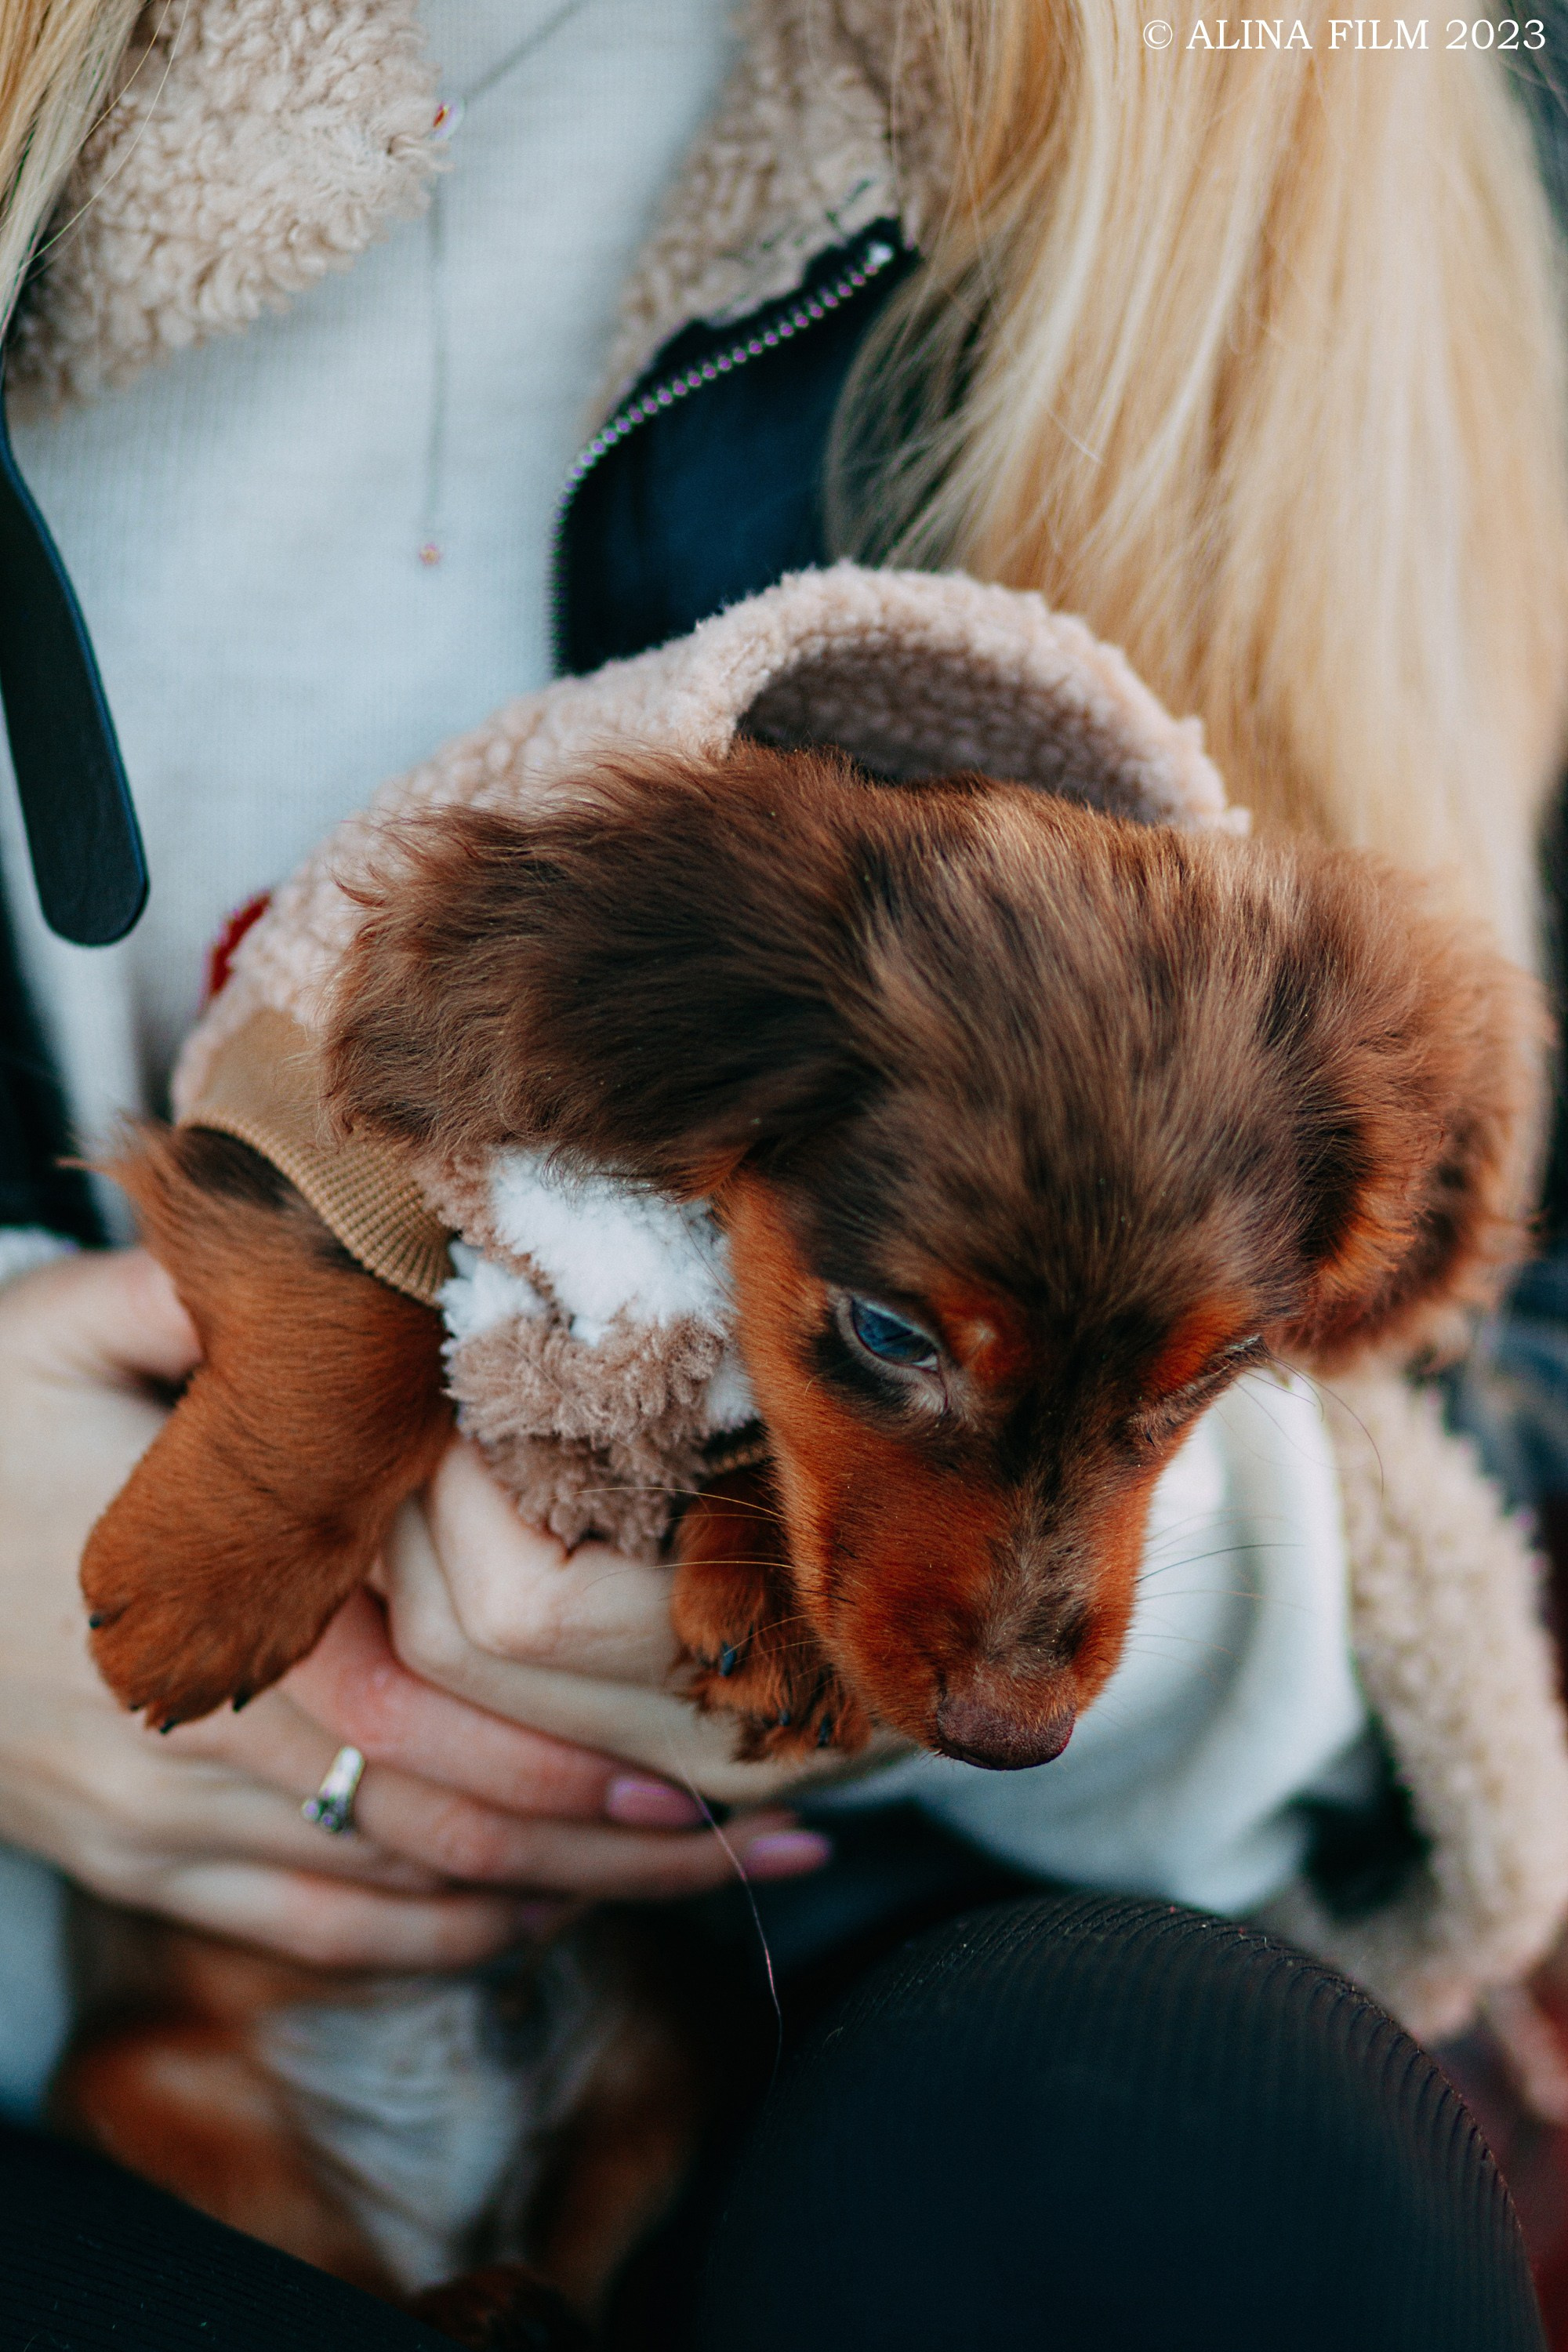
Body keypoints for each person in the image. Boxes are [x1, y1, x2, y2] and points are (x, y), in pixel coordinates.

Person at [1, 2, 1566, 2343]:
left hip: (816, 1973)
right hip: (92, 2005)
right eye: (899, 1338)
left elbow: (1500, 1360)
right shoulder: (615, 958)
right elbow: (372, 1098)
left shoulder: (1302, 122)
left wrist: (1138, 1657)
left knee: (1194, 2161)